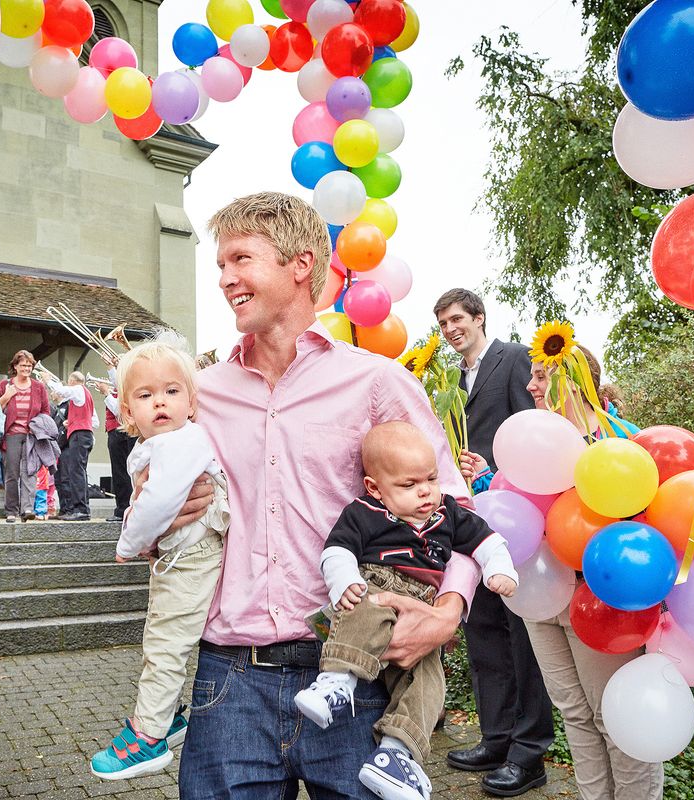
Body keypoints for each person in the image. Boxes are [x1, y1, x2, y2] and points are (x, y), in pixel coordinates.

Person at [172, 192, 480, 800]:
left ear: (299, 264)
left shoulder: (377, 381)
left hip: (358, 677)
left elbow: (455, 508)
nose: (225, 277)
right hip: (229, 682)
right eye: (220, 265)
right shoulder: (200, 394)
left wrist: (447, 616)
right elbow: (164, 512)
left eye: (240, 259)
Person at [465, 346, 663, 800]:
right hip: (538, 597)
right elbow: (522, 508)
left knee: (617, 718)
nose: (530, 386)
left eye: (539, 377)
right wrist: (486, 479)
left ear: (573, 383)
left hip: (598, 601)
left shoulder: (620, 442)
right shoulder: (533, 440)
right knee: (574, 712)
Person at [294, 421, 517, 800]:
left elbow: (487, 540)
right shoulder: (364, 513)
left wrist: (500, 569)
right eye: (409, 485)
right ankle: (336, 682)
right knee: (363, 610)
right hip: (375, 584)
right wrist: (344, 579)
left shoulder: (447, 513)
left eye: (430, 479)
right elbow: (337, 550)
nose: (425, 491)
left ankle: (396, 755)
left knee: (429, 679)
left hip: (421, 606)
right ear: (375, 488)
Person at [89, 332, 231, 780]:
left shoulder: (178, 442)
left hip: (190, 558)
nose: (161, 403)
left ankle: (148, 735)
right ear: (127, 411)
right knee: (161, 640)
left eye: (172, 392)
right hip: (179, 558)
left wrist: (127, 543)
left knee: (166, 645)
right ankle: (165, 717)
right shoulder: (163, 443)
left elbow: (159, 502)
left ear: (192, 401)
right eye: (146, 395)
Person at [433, 289, 552, 795]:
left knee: (523, 639)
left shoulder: (515, 358)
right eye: (442, 323)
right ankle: (496, 738)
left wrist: (495, 471)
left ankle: (530, 755)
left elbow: (538, 436)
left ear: (480, 318)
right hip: (469, 523)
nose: (449, 329)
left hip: (516, 518)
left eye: (457, 318)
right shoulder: (449, 382)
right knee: (484, 632)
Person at [0, 350, 51, 523]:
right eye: (23, 365)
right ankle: (11, 510)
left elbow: (45, 411)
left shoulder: (38, 387)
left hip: (31, 435)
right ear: (15, 366)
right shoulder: (5, 384)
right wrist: (7, 396)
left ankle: (27, 508)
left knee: (30, 472)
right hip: (12, 434)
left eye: (29, 365)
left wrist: (39, 428)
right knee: (12, 473)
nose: (27, 368)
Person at [48, 370, 96, 521]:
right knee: (77, 471)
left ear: (72, 381)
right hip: (83, 433)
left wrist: (48, 380)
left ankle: (81, 509)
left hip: (79, 435)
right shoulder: (85, 395)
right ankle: (80, 508)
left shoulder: (78, 389)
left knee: (76, 472)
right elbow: (93, 420)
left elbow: (61, 390)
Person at [96, 356, 133, 522]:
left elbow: (120, 411)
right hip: (116, 430)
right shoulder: (121, 382)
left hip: (126, 429)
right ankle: (122, 509)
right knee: (119, 472)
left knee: (127, 472)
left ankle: (126, 509)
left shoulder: (130, 382)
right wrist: (111, 367)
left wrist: (106, 394)